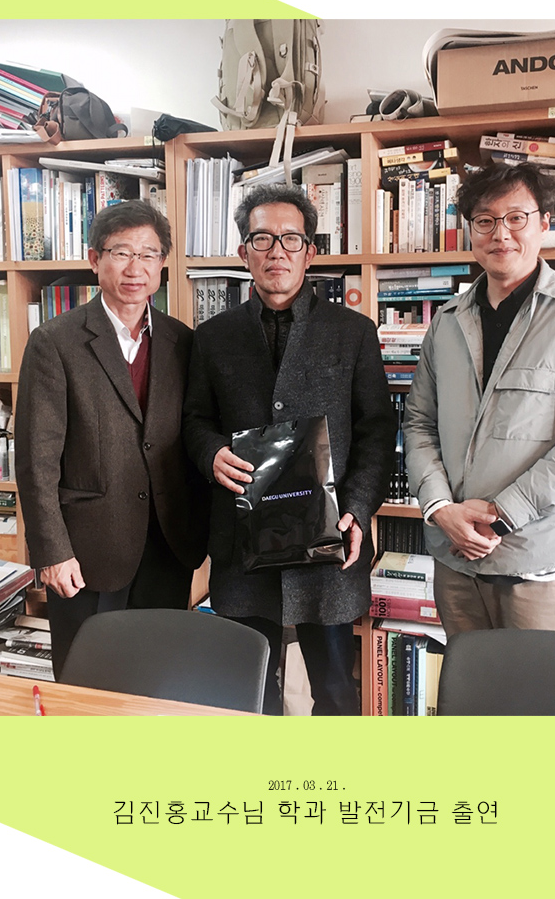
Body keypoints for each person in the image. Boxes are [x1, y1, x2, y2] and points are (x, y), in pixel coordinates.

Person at [183, 184, 396, 715]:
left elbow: (376, 429)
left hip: (329, 539)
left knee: (336, 693)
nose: (276, 251)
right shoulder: (213, 336)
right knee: (250, 693)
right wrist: (211, 453)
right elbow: (194, 420)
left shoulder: (353, 332)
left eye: (290, 239)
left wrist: (357, 508)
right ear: (243, 252)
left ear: (310, 251)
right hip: (242, 541)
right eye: (262, 239)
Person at [403, 162, 555, 639]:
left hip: (539, 568)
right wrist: (439, 507)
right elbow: (419, 422)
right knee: (467, 685)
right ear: (471, 231)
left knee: (540, 689)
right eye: (485, 220)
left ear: (544, 223)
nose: (501, 234)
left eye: (516, 218)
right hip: (456, 562)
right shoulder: (446, 321)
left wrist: (502, 515)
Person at [16, 200, 209, 680]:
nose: (134, 268)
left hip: (167, 546)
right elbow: (37, 461)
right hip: (87, 552)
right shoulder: (54, 342)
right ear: (94, 259)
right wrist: (52, 552)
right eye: (121, 253)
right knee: (87, 685)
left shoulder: (182, 342)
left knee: (158, 679)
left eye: (148, 254)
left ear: (162, 264)